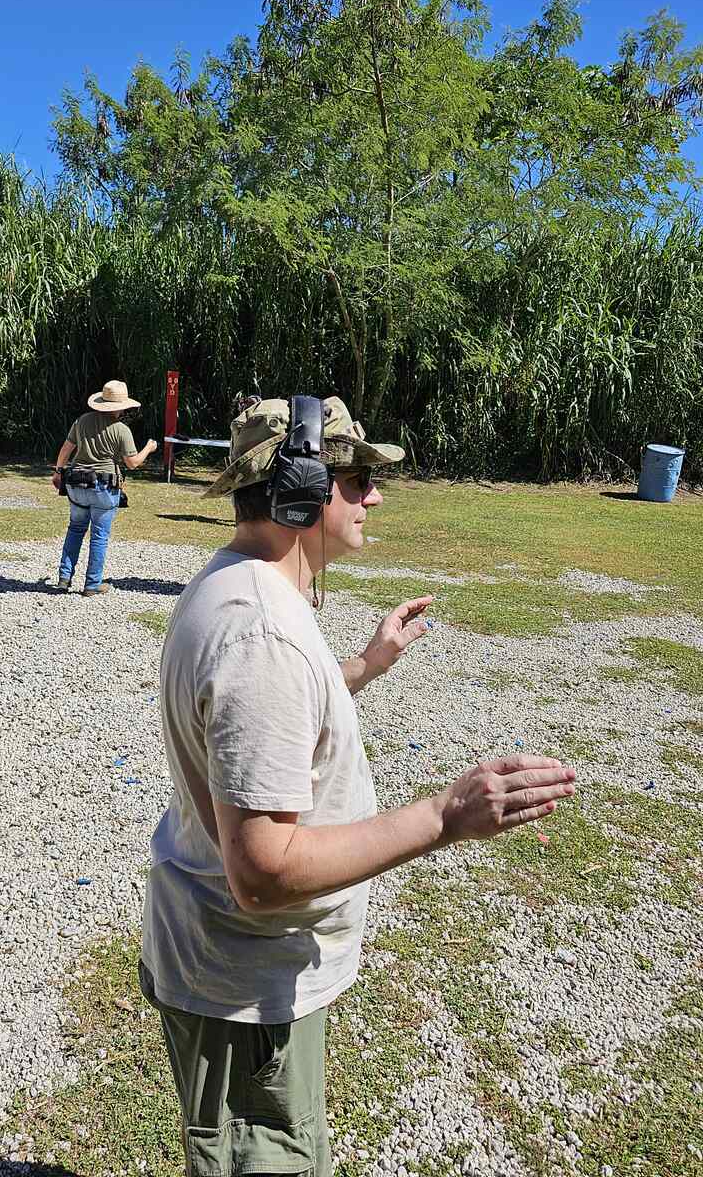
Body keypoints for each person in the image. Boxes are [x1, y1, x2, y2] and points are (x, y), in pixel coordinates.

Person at [140, 394, 576, 1177]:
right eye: (354, 479)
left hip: (236, 980)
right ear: (299, 489)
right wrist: (446, 815)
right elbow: (264, 871)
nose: (374, 496)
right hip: (248, 994)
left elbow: (275, 729)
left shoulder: (244, 585)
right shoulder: (262, 635)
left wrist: (365, 667)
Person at [51, 379, 157, 595]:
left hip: (76, 483)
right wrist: (148, 448)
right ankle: (92, 584)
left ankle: (64, 578)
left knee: (75, 529)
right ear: (122, 406)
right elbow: (133, 463)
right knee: (99, 536)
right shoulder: (121, 430)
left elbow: (65, 450)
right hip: (103, 486)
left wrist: (58, 472)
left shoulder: (81, 421)